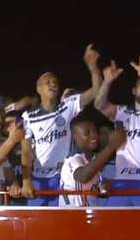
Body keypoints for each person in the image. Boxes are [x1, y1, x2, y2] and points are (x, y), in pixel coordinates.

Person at [21, 44, 102, 206]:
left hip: (63, 178)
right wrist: (26, 181)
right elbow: (26, 151)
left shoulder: (67, 107)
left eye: (55, 82)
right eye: (47, 82)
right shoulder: (28, 117)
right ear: (38, 89)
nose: (52, 84)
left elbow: (96, 90)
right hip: (38, 180)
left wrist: (92, 66)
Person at [94, 57, 140, 206]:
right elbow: (99, 105)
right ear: (134, 91)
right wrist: (107, 81)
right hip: (121, 182)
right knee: (114, 226)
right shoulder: (122, 113)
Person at [59, 114, 126, 207]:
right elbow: (83, 177)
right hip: (72, 216)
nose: (94, 136)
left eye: (95, 131)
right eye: (87, 133)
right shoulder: (73, 158)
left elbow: (96, 190)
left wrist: (105, 185)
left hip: (91, 214)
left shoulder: (93, 159)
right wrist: (111, 146)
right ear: (75, 136)